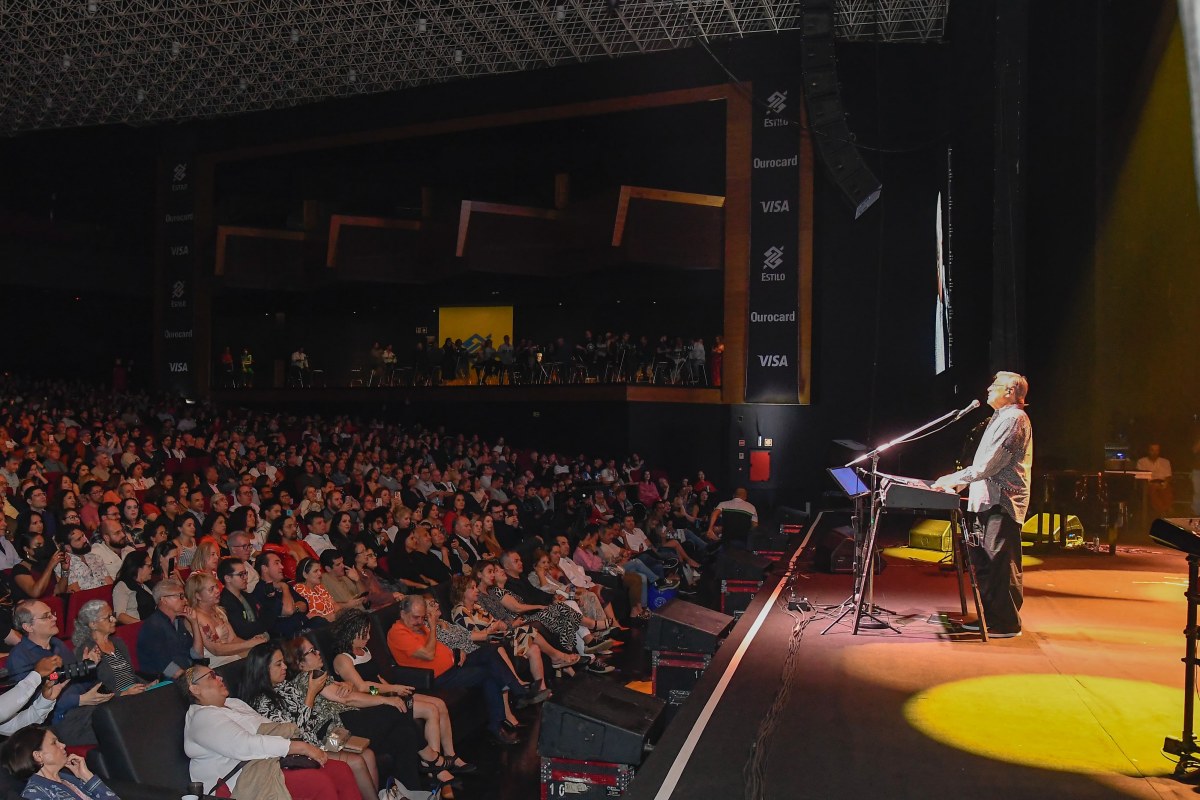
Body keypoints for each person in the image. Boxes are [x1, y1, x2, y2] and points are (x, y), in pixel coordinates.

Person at [933, 371, 1033, 639]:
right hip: (987, 501)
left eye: (995, 385)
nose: (989, 388)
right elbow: (984, 466)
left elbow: (989, 466)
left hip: (1002, 502)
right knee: (987, 563)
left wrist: (954, 479)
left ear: (1010, 391)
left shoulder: (1014, 419)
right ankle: (992, 618)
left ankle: (1006, 624)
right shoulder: (1000, 418)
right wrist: (960, 483)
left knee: (999, 563)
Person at [330, 610, 471, 786]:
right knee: (430, 710)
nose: (368, 635)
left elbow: (377, 678)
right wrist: (391, 689)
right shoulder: (342, 659)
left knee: (439, 703)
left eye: (368, 630)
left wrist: (392, 690)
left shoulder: (364, 649)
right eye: (363, 631)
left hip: (383, 693)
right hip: (371, 702)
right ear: (351, 631)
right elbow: (363, 687)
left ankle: (450, 756)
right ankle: (435, 767)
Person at [177, 663, 357, 800]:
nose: (220, 678)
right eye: (211, 676)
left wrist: (298, 742)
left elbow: (268, 727)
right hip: (242, 779)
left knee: (341, 771)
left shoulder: (233, 704)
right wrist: (300, 748)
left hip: (267, 762)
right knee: (318, 783)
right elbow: (244, 745)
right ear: (195, 689)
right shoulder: (201, 718)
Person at [237, 643, 382, 800]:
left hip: (337, 727)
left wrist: (382, 688)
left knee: (373, 749)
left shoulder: (291, 685)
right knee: (388, 723)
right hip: (342, 722)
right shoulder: (310, 678)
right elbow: (351, 698)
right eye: (312, 652)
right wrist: (385, 696)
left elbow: (367, 686)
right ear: (301, 664)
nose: (319, 653)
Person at [386, 595, 523, 745]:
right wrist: (432, 628)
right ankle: (500, 721)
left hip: (455, 662)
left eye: (422, 617)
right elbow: (428, 653)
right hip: (438, 677)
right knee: (487, 674)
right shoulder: (398, 633)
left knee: (490, 651)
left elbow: (441, 645)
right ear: (403, 614)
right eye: (416, 618)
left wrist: (457, 650)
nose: (419, 621)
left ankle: (517, 691)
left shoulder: (417, 626)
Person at [8, 600, 111, 746]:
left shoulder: (58, 644)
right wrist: (80, 700)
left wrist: (88, 667)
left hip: (85, 709)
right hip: (60, 722)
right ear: (28, 626)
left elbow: (80, 684)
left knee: (126, 707)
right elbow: (33, 702)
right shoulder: (19, 657)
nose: (54, 618)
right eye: (46, 616)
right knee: (116, 722)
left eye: (52, 614)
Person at [1, 725, 119, 800]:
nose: (63, 745)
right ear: (38, 756)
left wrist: (87, 777)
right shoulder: (36, 795)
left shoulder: (67, 778)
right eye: (54, 743)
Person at [185, 571, 268, 667]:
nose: (217, 591)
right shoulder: (197, 616)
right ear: (198, 596)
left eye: (216, 586)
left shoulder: (217, 610)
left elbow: (233, 639)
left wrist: (253, 644)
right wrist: (249, 644)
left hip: (228, 655)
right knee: (256, 661)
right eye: (211, 589)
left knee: (262, 654)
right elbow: (216, 650)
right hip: (213, 662)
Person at [70, 600, 150, 696]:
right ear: (93, 624)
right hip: (111, 703)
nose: (114, 620)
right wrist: (122, 694)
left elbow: (130, 675)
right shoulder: (86, 650)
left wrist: (146, 685)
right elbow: (91, 687)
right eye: (108, 617)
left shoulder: (118, 643)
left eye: (113, 615)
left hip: (133, 695)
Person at [136, 577, 205, 678]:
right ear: (164, 600)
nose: (185, 600)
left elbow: (198, 655)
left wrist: (194, 623)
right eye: (180, 596)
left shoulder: (178, 621)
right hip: (166, 682)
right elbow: (168, 668)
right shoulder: (152, 627)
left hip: (187, 674)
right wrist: (194, 680)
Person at [112, 550, 155, 625]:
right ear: (138, 567)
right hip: (137, 629)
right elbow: (120, 616)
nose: (152, 569)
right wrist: (143, 625)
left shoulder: (146, 585)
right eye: (149, 566)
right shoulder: (122, 586)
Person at [1137, 442, 1174, 517]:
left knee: (1167, 490)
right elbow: (1140, 476)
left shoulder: (1165, 462)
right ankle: (1164, 510)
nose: (1154, 453)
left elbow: (1168, 476)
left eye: (1157, 450)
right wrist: (1151, 484)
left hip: (1162, 483)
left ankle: (1165, 510)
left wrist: (1165, 483)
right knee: (1153, 490)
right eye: (1152, 450)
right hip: (1148, 484)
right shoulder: (1141, 462)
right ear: (1148, 450)